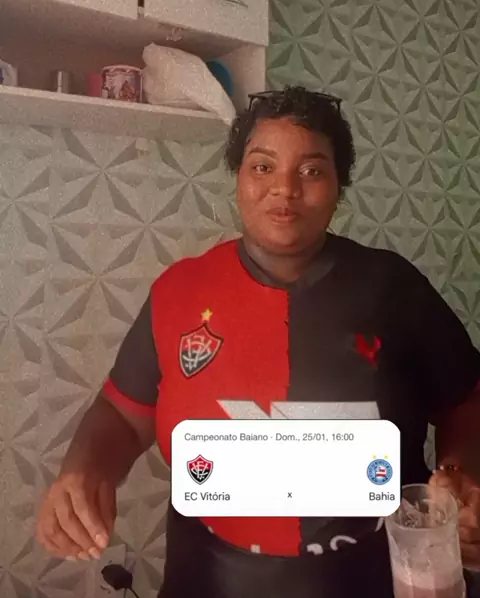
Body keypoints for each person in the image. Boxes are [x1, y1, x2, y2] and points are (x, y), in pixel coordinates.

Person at [36, 86, 480, 598]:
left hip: (377, 576)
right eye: (263, 166)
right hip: (207, 580)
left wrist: (461, 476)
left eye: (311, 170)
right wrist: (84, 470)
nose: (284, 189)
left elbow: (468, 400)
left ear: (339, 185)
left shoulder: (395, 288)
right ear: (239, 178)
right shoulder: (179, 291)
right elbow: (121, 412)